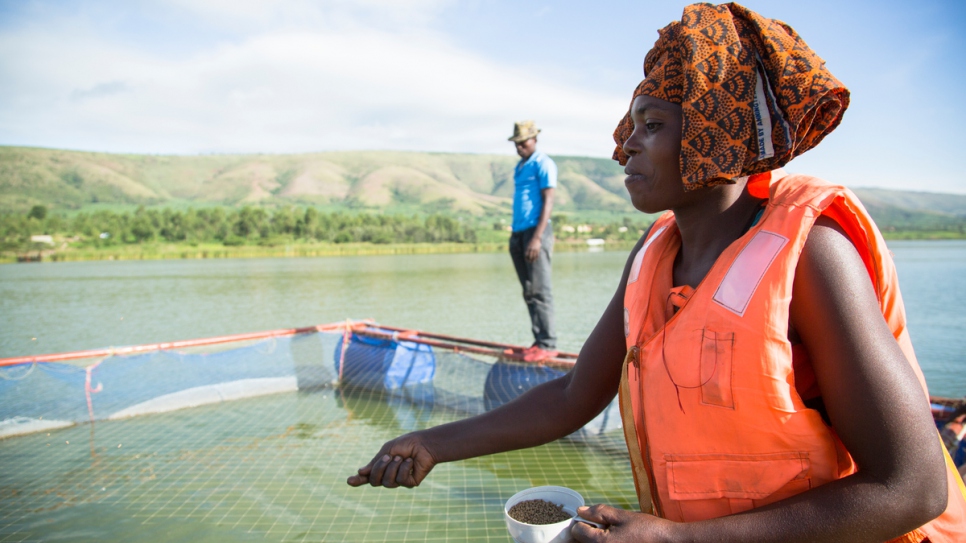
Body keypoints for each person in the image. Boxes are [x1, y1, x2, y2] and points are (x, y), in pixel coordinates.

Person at [347, 3, 966, 542]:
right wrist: (432, 444)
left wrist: (679, 540)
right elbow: (572, 395)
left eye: (653, 126)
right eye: (632, 124)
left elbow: (912, 490)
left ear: (715, 136)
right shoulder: (652, 254)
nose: (625, 146)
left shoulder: (812, 256)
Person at [507, 120, 558, 362]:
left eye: (523, 142)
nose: (519, 147)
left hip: (536, 233)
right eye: (516, 143)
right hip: (518, 233)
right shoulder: (520, 166)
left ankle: (548, 344)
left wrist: (536, 238)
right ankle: (538, 341)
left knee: (540, 290)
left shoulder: (543, 163)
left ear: (534, 140)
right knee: (529, 291)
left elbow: (548, 200)